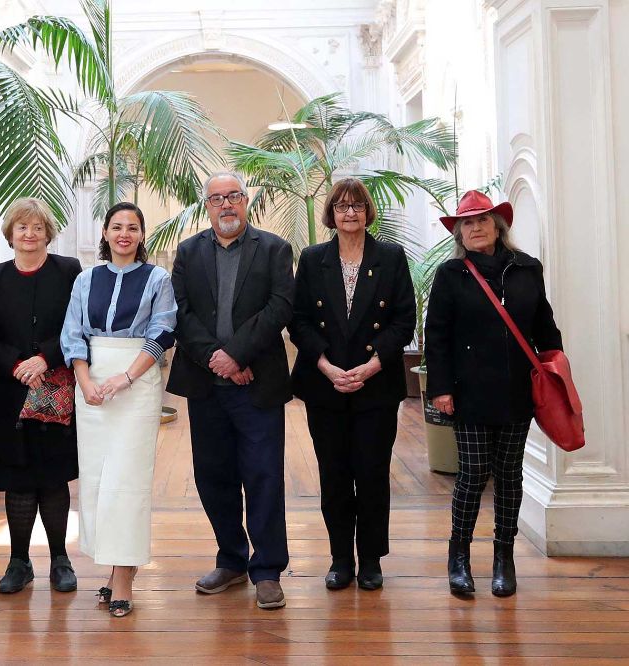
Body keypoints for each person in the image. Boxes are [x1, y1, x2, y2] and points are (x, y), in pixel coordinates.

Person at [425, 190, 563, 597]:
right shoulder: (451, 275)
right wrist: (440, 389)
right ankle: (460, 557)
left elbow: (544, 325)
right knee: (472, 474)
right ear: (459, 234)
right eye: (467, 223)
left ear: (498, 226)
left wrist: (558, 371)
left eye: (482, 220)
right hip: (468, 393)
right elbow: (437, 336)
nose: (475, 228)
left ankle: (504, 556)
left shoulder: (526, 268)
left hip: (517, 390)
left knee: (509, 475)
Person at [166, 171, 294, 610]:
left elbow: (280, 306)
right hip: (206, 385)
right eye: (216, 198)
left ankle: (268, 570)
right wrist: (216, 358)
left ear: (245, 201)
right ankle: (232, 559)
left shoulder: (274, 249)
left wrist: (237, 355)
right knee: (213, 477)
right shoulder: (188, 252)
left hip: (258, 383)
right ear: (207, 206)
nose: (226, 205)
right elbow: (180, 312)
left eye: (233, 196)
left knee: (263, 477)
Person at [289, 177, 415, 591]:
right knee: (335, 474)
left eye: (357, 205)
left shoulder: (391, 257)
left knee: (373, 472)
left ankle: (372, 559)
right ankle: (341, 557)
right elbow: (300, 320)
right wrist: (325, 365)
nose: (349, 212)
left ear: (367, 211)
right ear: (331, 213)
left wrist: (373, 364)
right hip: (325, 384)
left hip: (375, 385)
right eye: (341, 206)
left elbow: (403, 319)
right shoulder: (312, 259)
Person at [60, 202, 176, 618]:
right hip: (90, 384)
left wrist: (125, 378)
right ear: (105, 234)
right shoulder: (84, 279)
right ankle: (111, 568)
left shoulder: (158, 278)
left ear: (142, 235)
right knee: (96, 480)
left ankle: (125, 576)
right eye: (116, 226)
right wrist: (86, 381)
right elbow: (73, 332)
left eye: (132, 227)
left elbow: (163, 331)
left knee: (127, 481)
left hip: (136, 380)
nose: (124, 233)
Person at [0, 198, 82, 595]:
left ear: (47, 232)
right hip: (10, 391)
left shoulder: (69, 271)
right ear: (10, 234)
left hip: (56, 388)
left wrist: (44, 358)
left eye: (37, 227)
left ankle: (60, 559)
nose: (30, 233)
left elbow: (78, 324)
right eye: (22, 227)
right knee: (18, 479)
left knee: (53, 478)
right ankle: (18, 562)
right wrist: (17, 364)